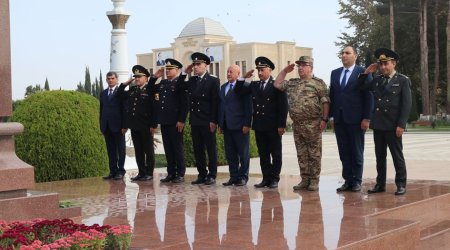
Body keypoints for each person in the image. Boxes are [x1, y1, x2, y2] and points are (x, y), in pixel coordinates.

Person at [358, 48, 412, 195]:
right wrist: (367, 72)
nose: (383, 67)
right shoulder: (377, 80)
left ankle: (401, 184)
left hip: (393, 126)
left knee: (397, 156)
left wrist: (401, 124)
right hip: (378, 125)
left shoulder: (402, 80)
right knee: (380, 157)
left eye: (386, 64)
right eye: (381, 64)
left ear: (393, 63)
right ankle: (380, 184)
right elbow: (360, 87)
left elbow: (406, 105)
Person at [273, 56, 330, 191]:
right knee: (302, 154)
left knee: (314, 154)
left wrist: (324, 119)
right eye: (299, 66)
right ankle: (305, 180)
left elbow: (325, 102)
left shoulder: (318, 83)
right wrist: (285, 71)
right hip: (297, 124)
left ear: (311, 67)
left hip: (313, 124)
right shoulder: (292, 83)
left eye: (304, 65)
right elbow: (276, 84)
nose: (300, 68)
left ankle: (314, 181)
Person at [235, 56, 288, 189]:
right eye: (258, 70)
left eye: (262, 70)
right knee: (263, 154)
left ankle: (274, 178)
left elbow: (283, 106)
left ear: (269, 70)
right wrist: (244, 78)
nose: (259, 73)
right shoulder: (254, 85)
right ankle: (266, 178)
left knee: (275, 153)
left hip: (273, 126)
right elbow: (239, 92)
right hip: (259, 125)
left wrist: (281, 125)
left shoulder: (276, 84)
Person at [330, 46, 373, 192]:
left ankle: (357, 181)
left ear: (355, 56)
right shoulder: (335, 73)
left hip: (356, 119)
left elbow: (368, 96)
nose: (344, 55)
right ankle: (347, 180)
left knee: (356, 150)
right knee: (344, 151)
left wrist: (367, 118)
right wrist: (332, 116)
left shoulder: (362, 72)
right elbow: (333, 96)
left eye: (347, 53)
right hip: (339, 119)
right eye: (342, 53)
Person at [179, 52, 220, 185]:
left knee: (210, 149)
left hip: (207, 120)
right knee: (198, 149)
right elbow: (179, 87)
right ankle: (202, 174)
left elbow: (215, 102)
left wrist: (214, 121)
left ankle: (212, 175)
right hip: (195, 120)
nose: (196, 67)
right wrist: (185, 72)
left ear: (206, 66)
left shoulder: (213, 80)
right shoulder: (192, 80)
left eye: (199, 64)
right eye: (194, 64)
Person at [147, 58, 188, 183]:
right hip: (164, 120)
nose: (168, 71)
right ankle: (171, 173)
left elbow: (184, 104)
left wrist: (181, 120)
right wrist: (154, 77)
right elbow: (150, 90)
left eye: (170, 69)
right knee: (168, 148)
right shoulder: (164, 83)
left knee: (177, 148)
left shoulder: (180, 83)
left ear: (177, 70)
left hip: (175, 121)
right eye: (167, 69)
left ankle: (180, 173)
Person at [116, 65, 157, 181]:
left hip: (146, 125)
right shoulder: (133, 90)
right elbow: (119, 96)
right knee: (138, 150)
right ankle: (141, 172)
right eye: (136, 77)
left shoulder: (150, 90)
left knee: (148, 150)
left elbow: (154, 109)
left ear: (146, 78)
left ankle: (149, 173)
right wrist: (125, 84)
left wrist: (153, 125)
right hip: (134, 125)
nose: (137, 79)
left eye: (140, 77)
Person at [218, 64, 252, 186]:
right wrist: (220, 124)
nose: (228, 73)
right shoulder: (223, 87)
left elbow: (248, 107)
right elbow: (221, 107)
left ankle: (243, 176)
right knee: (230, 153)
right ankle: (234, 176)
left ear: (238, 74)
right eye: (227, 71)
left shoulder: (244, 87)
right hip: (227, 126)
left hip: (240, 126)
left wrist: (247, 124)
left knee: (243, 153)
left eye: (231, 72)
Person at [100, 72, 127, 180]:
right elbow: (101, 111)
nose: (110, 80)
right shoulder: (103, 93)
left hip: (119, 126)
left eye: (112, 78)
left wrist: (125, 126)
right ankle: (113, 171)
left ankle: (120, 171)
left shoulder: (121, 93)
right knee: (110, 151)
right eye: (108, 79)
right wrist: (101, 126)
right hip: (106, 127)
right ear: (106, 80)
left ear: (117, 79)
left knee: (121, 150)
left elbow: (125, 110)